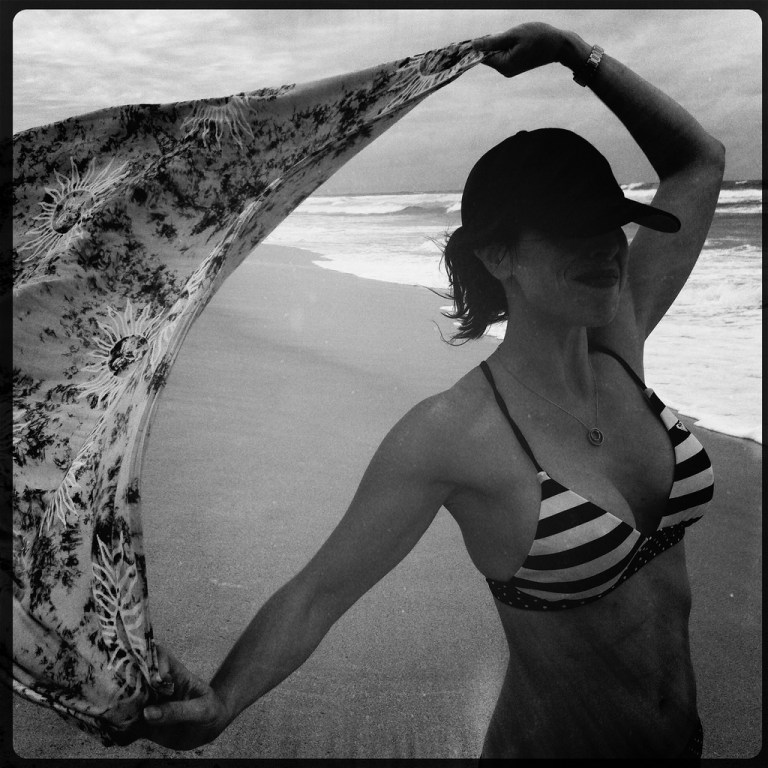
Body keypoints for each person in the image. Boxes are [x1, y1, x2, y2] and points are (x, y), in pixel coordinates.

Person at [133, 22, 725, 758]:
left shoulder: (617, 340)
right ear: (500, 254)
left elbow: (698, 162)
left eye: (612, 225)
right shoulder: (453, 433)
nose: (608, 250)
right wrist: (222, 703)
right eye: (576, 231)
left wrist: (578, 56)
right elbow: (320, 592)